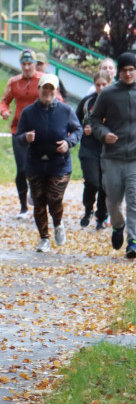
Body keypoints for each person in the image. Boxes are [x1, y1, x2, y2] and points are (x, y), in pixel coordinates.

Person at [15, 74, 81, 252]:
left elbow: (77, 130)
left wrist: (68, 143)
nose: (48, 91)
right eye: (45, 87)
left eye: (51, 88)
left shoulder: (66, 111)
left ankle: (58, 224)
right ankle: (44, 238)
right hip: (35, 163)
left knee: (54, 197)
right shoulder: (28, 112)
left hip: (59, 164)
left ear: (56, 90)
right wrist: (25, 137)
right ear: (39, 89)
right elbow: (18, 138)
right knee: (39, 201)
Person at [86, 52, 136, 258]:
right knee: (114, 200)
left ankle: (133, 240)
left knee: (134, 198)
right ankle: (118, 225)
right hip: (113, 156)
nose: (128, 74)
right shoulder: (108, 94)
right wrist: (104, 134)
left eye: (132, 70)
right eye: (124, 70)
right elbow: (93, 120)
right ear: (119, 73)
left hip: (134, 157)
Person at [0, 49, 42, 218]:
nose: (26, 67)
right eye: (24, 64)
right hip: (19, 129)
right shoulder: (14, 82)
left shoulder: (42, 80)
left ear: (35, 64)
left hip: (40, 129)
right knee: (22, 169)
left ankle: (38, 199)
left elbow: (56, 98)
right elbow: (5, 100)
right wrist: (4, 111)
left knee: (39, 167)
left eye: (29, 64)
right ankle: (23, 207)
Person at [76, 70, 112, 230]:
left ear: (110, 84)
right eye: (98, 85)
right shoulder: (87, 103)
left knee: (105, 185)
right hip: (88, 148)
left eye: (104, 85)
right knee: (92, 182)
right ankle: (88, 209)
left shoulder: (114, 102)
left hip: (108, 149)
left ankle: (101, 217)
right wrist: (83, 128)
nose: (101, 88)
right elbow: (75, 121)